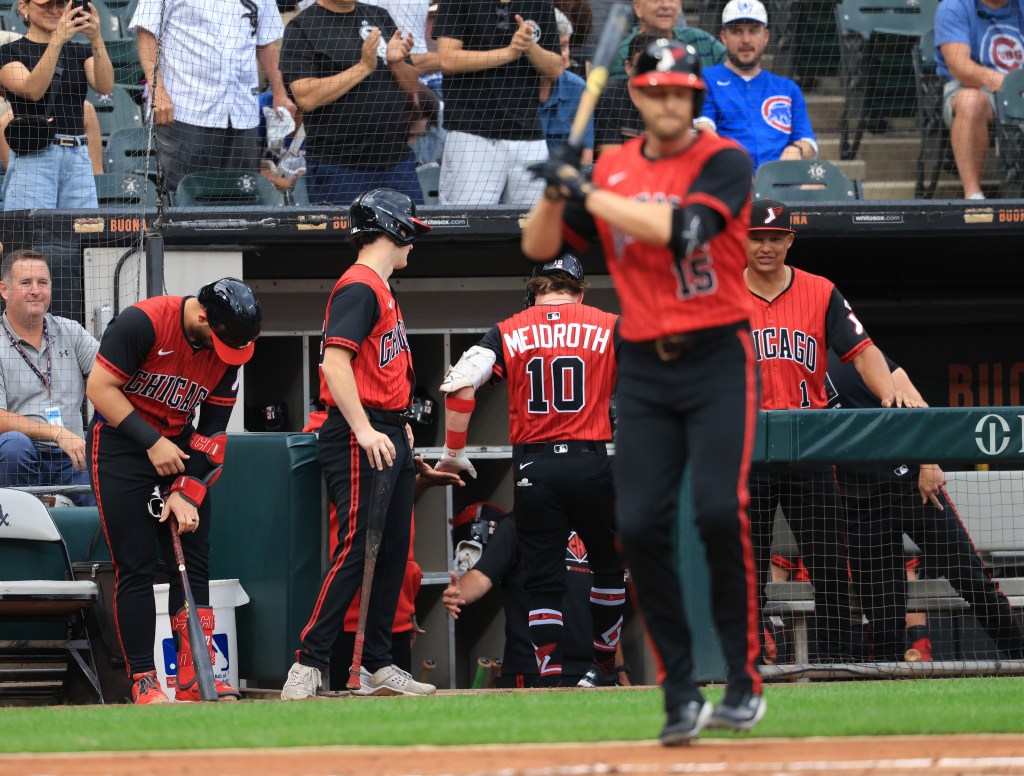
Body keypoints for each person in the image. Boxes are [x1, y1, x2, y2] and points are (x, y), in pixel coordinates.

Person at [522, 40, 763, 744]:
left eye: (681, 91)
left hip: (717, 352)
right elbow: (538, 246)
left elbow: (681, 230)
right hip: (646, 365)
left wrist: (589, 191)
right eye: (656, 90)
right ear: (635, 90)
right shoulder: (612, 164)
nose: (669, 102)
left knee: (719, 511)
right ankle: (681, 691)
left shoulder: (723, 158)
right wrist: (556, 185)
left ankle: (743, 682)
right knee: (636, 527)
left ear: (693, 97)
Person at [435, 254, 625, 689]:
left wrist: (453, 450)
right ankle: (603, 663)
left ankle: (548, 673)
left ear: (534, 287)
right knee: (609, 567)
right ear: (580, 290)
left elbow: (461, 383)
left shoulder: (508, 328)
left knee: (542, 579)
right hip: (588, 460)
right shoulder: (609, 323)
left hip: (533, 466)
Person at [281, 188, 436, 701]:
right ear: (393, 228)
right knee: (356, 548)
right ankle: (309, 661)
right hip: (356, 430)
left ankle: (375, 663)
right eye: (409, 228)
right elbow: (333, 363)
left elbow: (377, 364)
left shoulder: (380, 286)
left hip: (385, 427)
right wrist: (368, 428)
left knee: (392, 551)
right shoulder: (361, 286)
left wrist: (396, 421)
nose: (414, 238)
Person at [85, 277, 263, 705]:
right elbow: (99, 390)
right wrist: (151, 441)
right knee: (137, 564)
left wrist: (187, 489)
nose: (228, 357)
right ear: (204, 316)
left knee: (194, 558)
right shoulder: (143, 323)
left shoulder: (230, 352)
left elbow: (214, 431)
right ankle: (144, 679)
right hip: (122, 445)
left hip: (179, 448)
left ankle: (192, 677)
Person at [743, 198, 896, 662]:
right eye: (757, 238)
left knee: (829, 565)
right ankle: (745, 665)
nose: (766, 247)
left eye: (775, 238)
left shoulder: (820, 291)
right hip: (747, 447)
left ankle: (836, 664)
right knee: (746, 570)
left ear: (789, 240)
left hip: (809, 444)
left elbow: (863, 350)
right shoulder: (717, 296)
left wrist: (888, 396)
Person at [827, 348, 1024, 662]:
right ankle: (885, 706)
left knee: (975, 583)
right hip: (860, 507)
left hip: (912, 487)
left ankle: (1020, 655)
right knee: (885, 622)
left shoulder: (853, 352)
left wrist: (929, 460)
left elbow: (910, 396)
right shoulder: (793, 373)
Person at [443, 501, 632, 688]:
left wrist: (620, 671)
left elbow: (608, 610)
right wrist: (459, 592)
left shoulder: (598, 529)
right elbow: (481, 576)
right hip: (531, 670)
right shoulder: (519, 524)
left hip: (593, 671)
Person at [130, 0, 295, 196]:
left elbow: (266, 42)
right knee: (185, 199)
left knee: (242, 198)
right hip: (185, 111)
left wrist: (279, 91)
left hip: (242, 113)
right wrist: (157, 89)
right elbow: (147, 33)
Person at [280, 0, 424, 205]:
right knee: (348, 236)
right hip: (340, 166)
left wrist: (396, 62)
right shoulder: (302, 27)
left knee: (408, 235)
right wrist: (363, 67)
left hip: (396, 160)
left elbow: (412, 87)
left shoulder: (379, 16)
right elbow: (306, 97)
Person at [433, 0, 563, 206]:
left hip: (528, 135)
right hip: (472, 135)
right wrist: (509, 53)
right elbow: (447, 59)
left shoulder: (540, 3)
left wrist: (530, 47)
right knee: (468, 225)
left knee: (534, 224)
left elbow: (555, 68)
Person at [0, 249, 96, 505]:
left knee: (100, 468)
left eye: (42, 282)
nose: (36, 290)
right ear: (4, 290)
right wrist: (56, 433)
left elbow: (111, 377)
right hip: (22, 456)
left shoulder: (70, 331)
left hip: (71, 457)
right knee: (13, 446)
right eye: (25, 283)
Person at [0, 0, 113, 210]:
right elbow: (33, 90)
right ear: (23, 7)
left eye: (60, 4)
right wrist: (57, 41)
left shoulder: (79, 51)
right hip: (34, 157)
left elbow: (105, 85)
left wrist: (96, 38)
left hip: (78, 157)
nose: (53, 11)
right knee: (32, 236)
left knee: (80, 234)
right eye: (45, 5)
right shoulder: (9, 51)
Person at [696, 0, 817, 171]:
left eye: (753, 31)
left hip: (780, 181)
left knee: (818, 184)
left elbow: (809, 143)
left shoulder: (787, 89)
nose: (746, 40)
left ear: (765, 37)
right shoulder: (706, 80)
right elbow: (703, 130)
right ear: (724, 37)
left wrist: (796, 149)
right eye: (737, 32)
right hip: (730, 178)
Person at [935, 0, 1024, 200]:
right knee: (970, 101)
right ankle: (973, 194)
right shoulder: (954, 6)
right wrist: (1006, 83)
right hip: (973, 87)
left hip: (1020, 88)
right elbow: (960, 67)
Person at [608, 0, 725, 80]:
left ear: (679, 5)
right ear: (637, 7)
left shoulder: (702, 40)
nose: (665, 5)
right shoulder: (622, 54)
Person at [539, 9, 593, 165]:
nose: (563, 56)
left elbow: (586, 156)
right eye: (555, 48)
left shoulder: (578, 88)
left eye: (564, 46)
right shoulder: (511, 86)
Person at [593, 32, 659, 156]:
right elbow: (611, 157)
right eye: (642, 67)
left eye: (654, 67)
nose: (648, 74)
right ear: (628, 67)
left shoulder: (672, 99)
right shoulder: (609, 96)